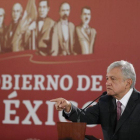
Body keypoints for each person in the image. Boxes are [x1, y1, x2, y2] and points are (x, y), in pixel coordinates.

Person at [51, 60, 140, 140]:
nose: (107, 83)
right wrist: (68, 107)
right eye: (107, 78)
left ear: (128, 83)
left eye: (113, 79)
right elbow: (84, 117)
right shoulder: (105, 101)